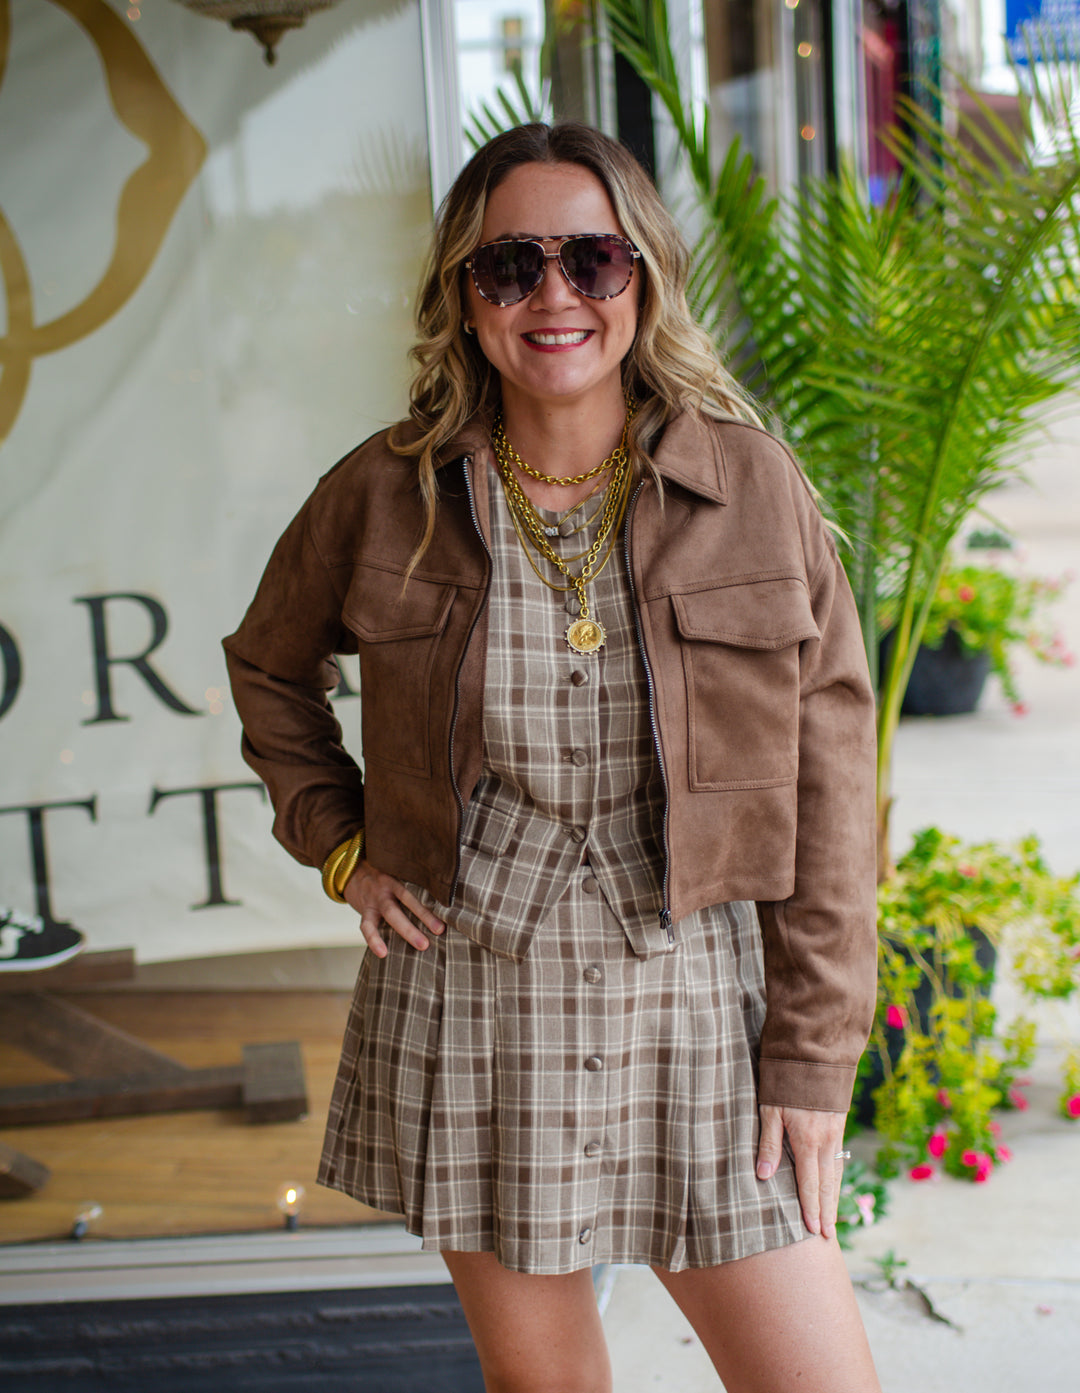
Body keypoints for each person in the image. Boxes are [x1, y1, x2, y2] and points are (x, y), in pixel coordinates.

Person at [224, 122, 882, 1393]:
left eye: (593, 258)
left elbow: (832, 788)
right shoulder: (385, 494)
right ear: (463, 303)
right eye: (509, 266)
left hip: (698, 1003)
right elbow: (268, 667)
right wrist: (343, 843)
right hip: (479, 1001)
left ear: (645, 277)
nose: (555, 296)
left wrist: (811, 1054)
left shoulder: (752, 487)